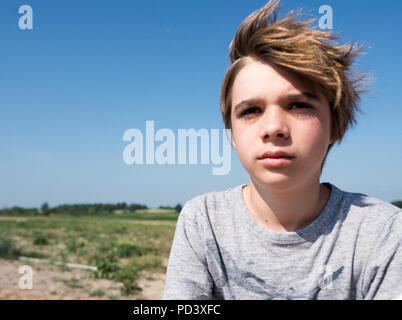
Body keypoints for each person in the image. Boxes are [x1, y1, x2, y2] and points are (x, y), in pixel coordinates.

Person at [162, 0, 402, 300]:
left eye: (298, 105)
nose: (273, 127)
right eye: (250, 110)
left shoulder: (384, 232)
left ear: (335, 126)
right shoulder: (202, 220)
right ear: (232, 135)